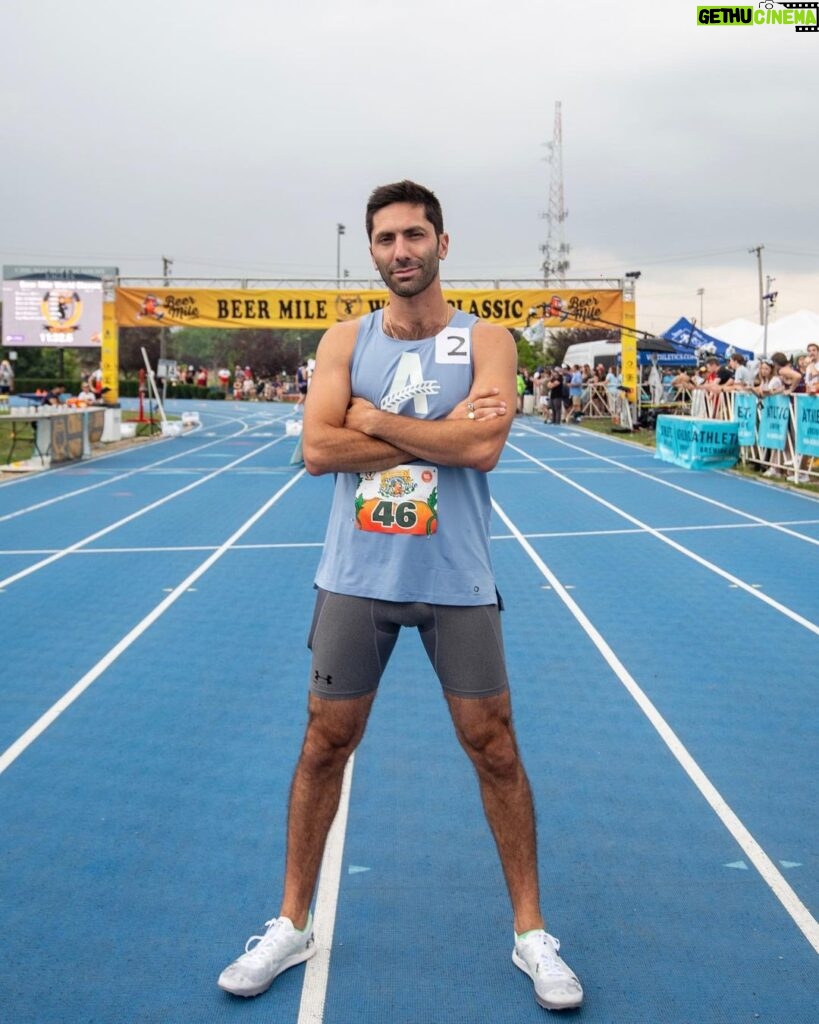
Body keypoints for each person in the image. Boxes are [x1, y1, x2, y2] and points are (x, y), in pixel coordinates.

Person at [217, 180, 584, 1013]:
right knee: (323, 744)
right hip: (356, 578)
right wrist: (437, 432)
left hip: (455, 577)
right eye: (385, 239)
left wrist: (374, 420)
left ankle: (531, 934)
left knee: (492, 746)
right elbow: (315, 449)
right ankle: (290, 921)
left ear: (441, 245)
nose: (400, 252)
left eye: (414, 235)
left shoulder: (488, 338)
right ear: (373, 251)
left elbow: (484, 447)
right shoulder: (343, 337)